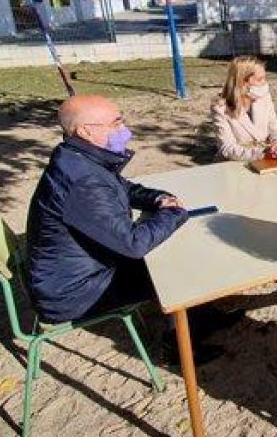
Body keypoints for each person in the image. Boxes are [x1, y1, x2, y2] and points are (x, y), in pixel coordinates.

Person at [26, 94, 233, 363]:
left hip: (76, 271)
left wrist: (158, 199)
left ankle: (199, 317)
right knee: (175, 266)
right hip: (73, 291)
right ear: (85, 131)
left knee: (171, 252)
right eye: (116, 123)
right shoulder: (83, 180)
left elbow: (124, 188)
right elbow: (133, 245)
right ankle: (178, 349)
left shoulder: (77, 156)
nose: (124, 131)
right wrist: (174, 214)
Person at [212, 55, 277, 161]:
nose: (265, 83)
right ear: (242, 82)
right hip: (235, 163)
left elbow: (276, 130)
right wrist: (261, 153)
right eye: (260, 79)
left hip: (268, 159)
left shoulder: (264, 98)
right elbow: (227, 148)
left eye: (265, 78)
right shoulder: (221, 108)